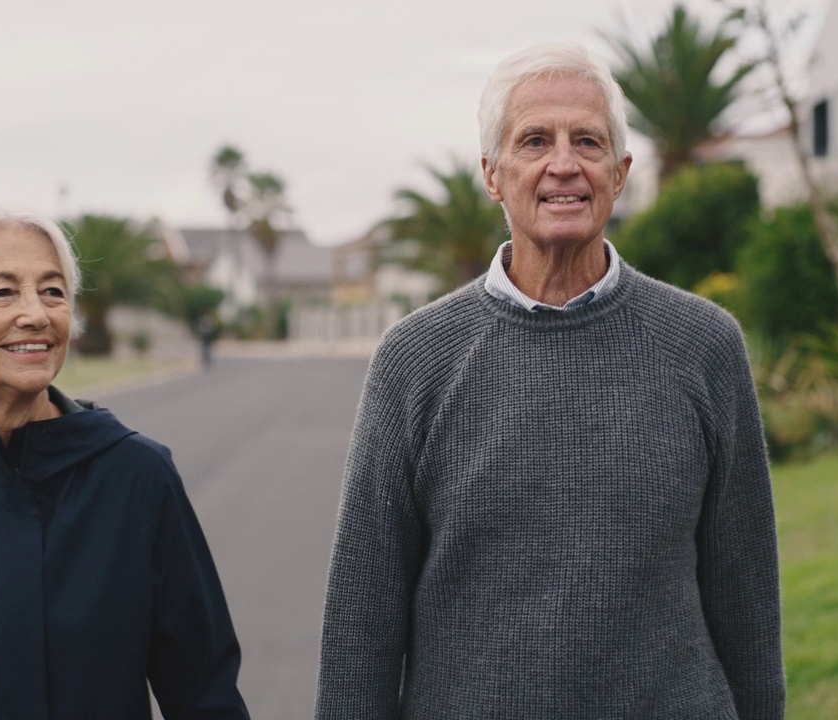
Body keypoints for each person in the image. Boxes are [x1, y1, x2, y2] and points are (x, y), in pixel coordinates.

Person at [315, 42, 784, 719]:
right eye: (534, 140)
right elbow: (364, 619)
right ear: (493, 174)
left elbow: (748, 602)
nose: (563, 164)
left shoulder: (704, 346)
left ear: (619, 175)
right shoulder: (414, 360)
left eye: (587, 142)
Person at [0, 205, 249, 719]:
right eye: (2, 291)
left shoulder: (138, 479)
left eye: (53, 291)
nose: (36, 313)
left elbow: (204, 693)